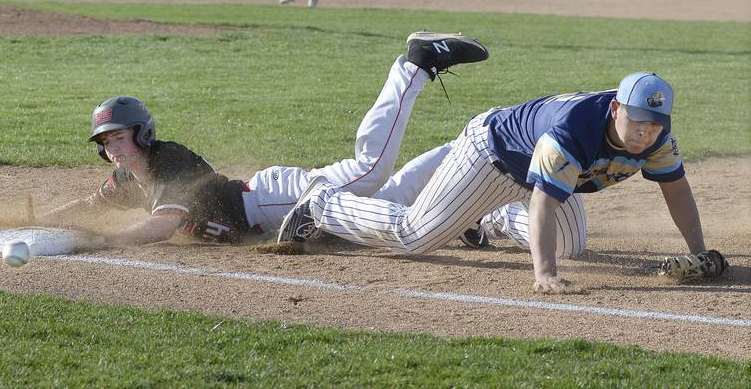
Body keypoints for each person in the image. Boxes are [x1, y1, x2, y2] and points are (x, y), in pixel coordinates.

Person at [278, 71, 720, 294]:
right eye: (639, 122)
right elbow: (545, 201)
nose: (646, 133)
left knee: (571, 245)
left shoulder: (658, 141)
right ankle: (323, 204)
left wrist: (698, 252)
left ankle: (486, 218)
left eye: (655, 125)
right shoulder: (572, 131)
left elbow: (677, 190)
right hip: (492, 154)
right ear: (616, 110)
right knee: (414, 235)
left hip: (541, 177)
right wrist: (544, 274)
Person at [36, 32, 489, 246]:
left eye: (118, 136)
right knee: (396, 201)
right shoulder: (128, 178)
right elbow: (92, 205)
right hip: (276, 210)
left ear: (142, 133)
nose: (111, 145)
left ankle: (415, 63)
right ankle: (471, 147)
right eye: (104, 140)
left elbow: (160, 228)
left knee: (371, 169)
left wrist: (98, 241)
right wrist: (42, 222)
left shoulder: (167, 161)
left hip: (272, 202)